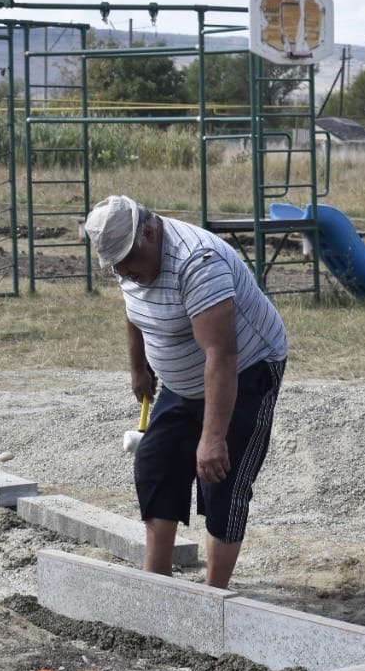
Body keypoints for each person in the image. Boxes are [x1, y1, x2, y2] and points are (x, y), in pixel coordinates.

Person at [84, 195, 288, 589]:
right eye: (116, 266)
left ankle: (214, 596)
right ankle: (158, 585)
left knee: (220, 478)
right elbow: (135, 311)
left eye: (128, 260)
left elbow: (221, 355)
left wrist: (212, 439)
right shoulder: (128, 260)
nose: (124, 272)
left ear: (149, 231)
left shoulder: (198, 263)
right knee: (156, 462)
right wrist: (139, 368)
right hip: (186, 378)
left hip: (246, 366)